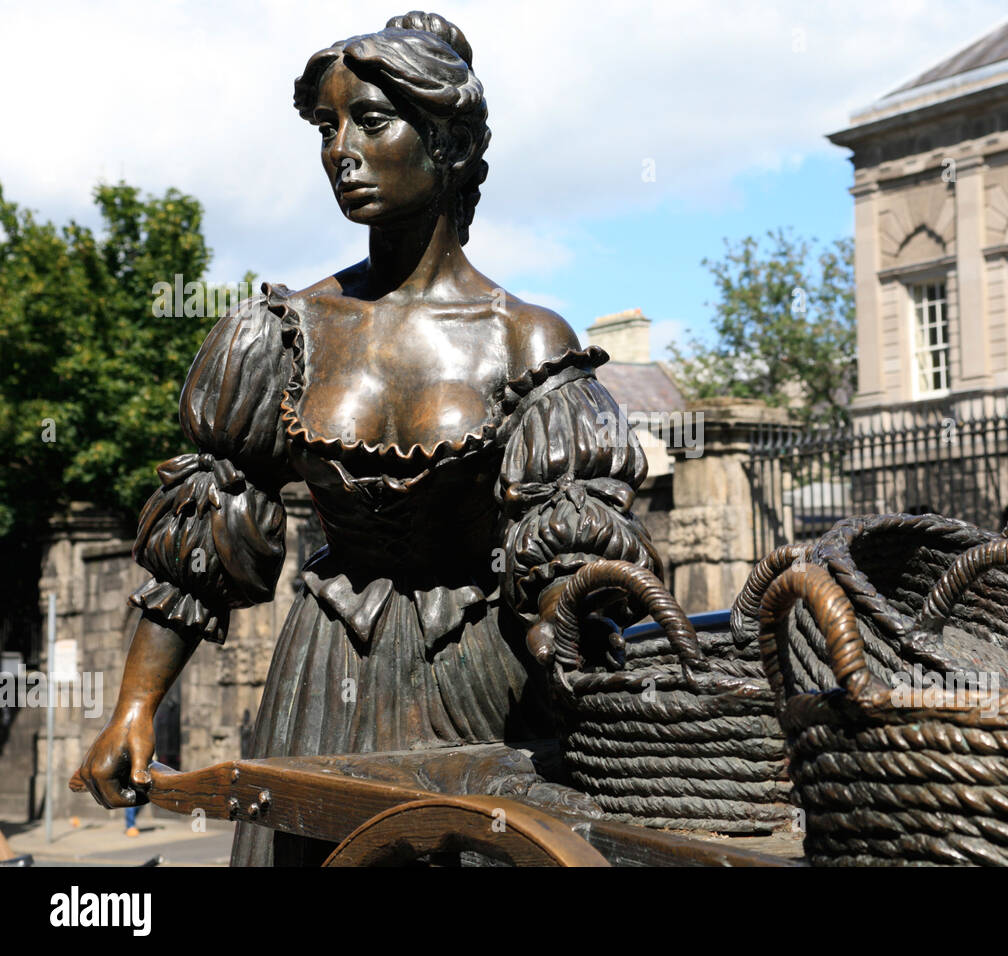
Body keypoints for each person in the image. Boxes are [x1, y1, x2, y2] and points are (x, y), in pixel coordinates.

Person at [71, 11, 660, 866]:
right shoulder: (283, 331)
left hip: (483, 680)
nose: (340, 150)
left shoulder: (525, 341)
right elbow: (202, 532)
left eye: (371, 122)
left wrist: (568, 635)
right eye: (326, 126)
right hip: (323, 677)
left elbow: (568, 548)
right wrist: (132, 706)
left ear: (451, 144)